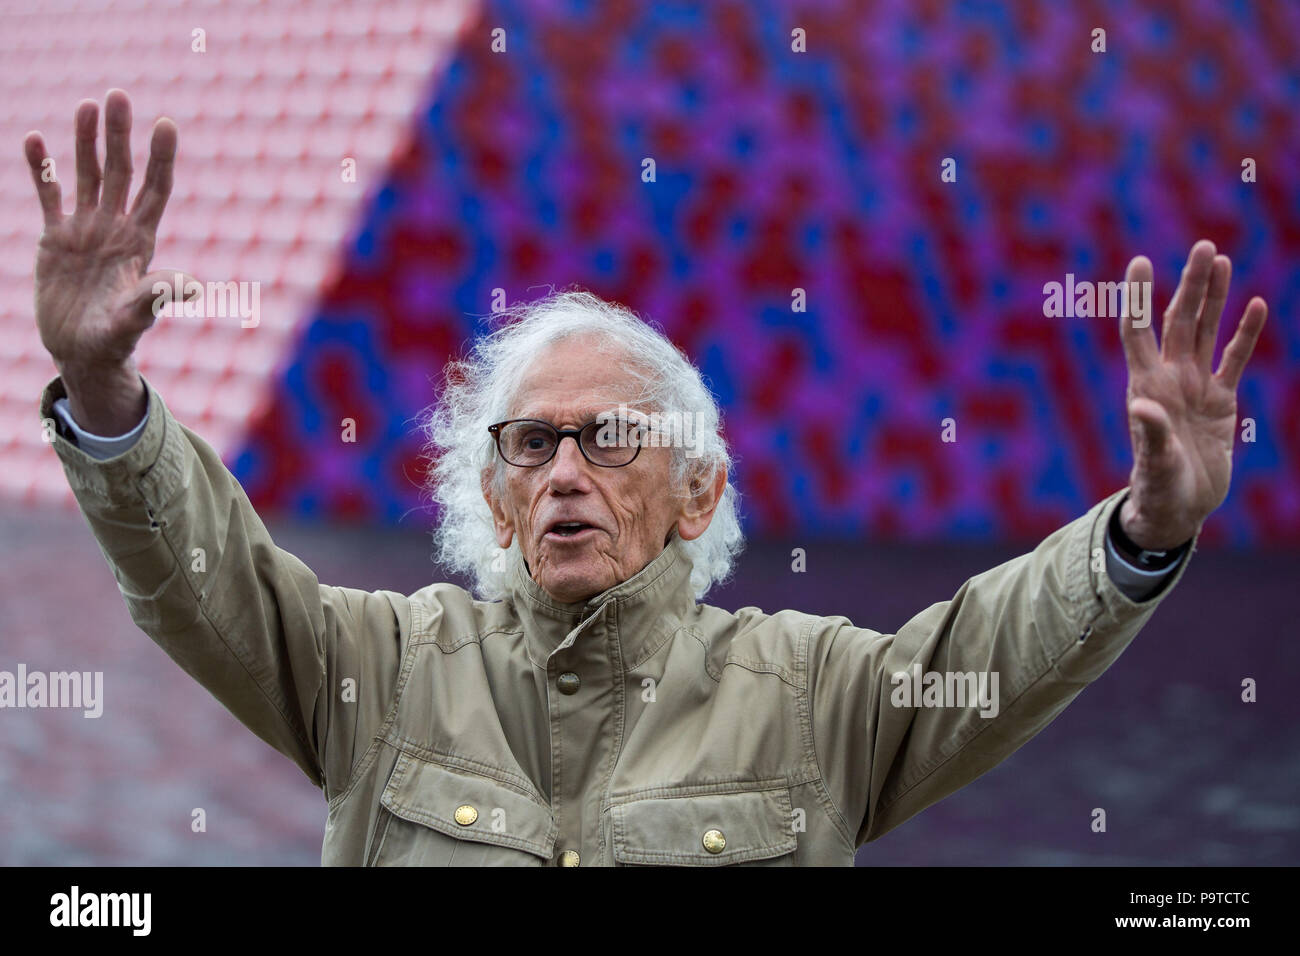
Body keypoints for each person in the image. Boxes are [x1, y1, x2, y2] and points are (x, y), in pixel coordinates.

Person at [24, 91, 1268, 866]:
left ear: (699, 490)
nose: (565, 468)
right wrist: (102, 395)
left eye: (609, 436)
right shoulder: (379, 669)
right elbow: (202, 579)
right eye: (530, 443)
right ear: (497, 496)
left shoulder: (814, 695)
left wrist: (1146, 527)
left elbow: (1002, 641)